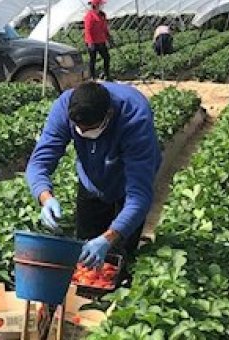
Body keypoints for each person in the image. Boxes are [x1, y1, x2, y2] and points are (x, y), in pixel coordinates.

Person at [25, 81, 161, 270]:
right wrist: (45, 197)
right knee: (85, 254)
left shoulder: (135, 118)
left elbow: (139, 196)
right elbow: (38, 163)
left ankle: (119, 288)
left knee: (120, 255)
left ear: (109, 115)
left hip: (126, 182)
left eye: (91, 128)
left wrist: (109, 238)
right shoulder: (65, 108)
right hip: (91, 179)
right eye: (79, 128)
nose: (84, 132)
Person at [83, 0, 113, 81]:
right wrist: (90, 43)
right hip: (92, 41)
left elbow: (104, 28)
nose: (102, 6)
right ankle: (92, 77)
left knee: (106, 57)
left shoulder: (102, 15)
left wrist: (108, 37)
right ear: (96, 5)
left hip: (101, 40)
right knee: (93, 59)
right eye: (100, 4)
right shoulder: (89, 16)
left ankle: (106, 74)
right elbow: (88, 30)